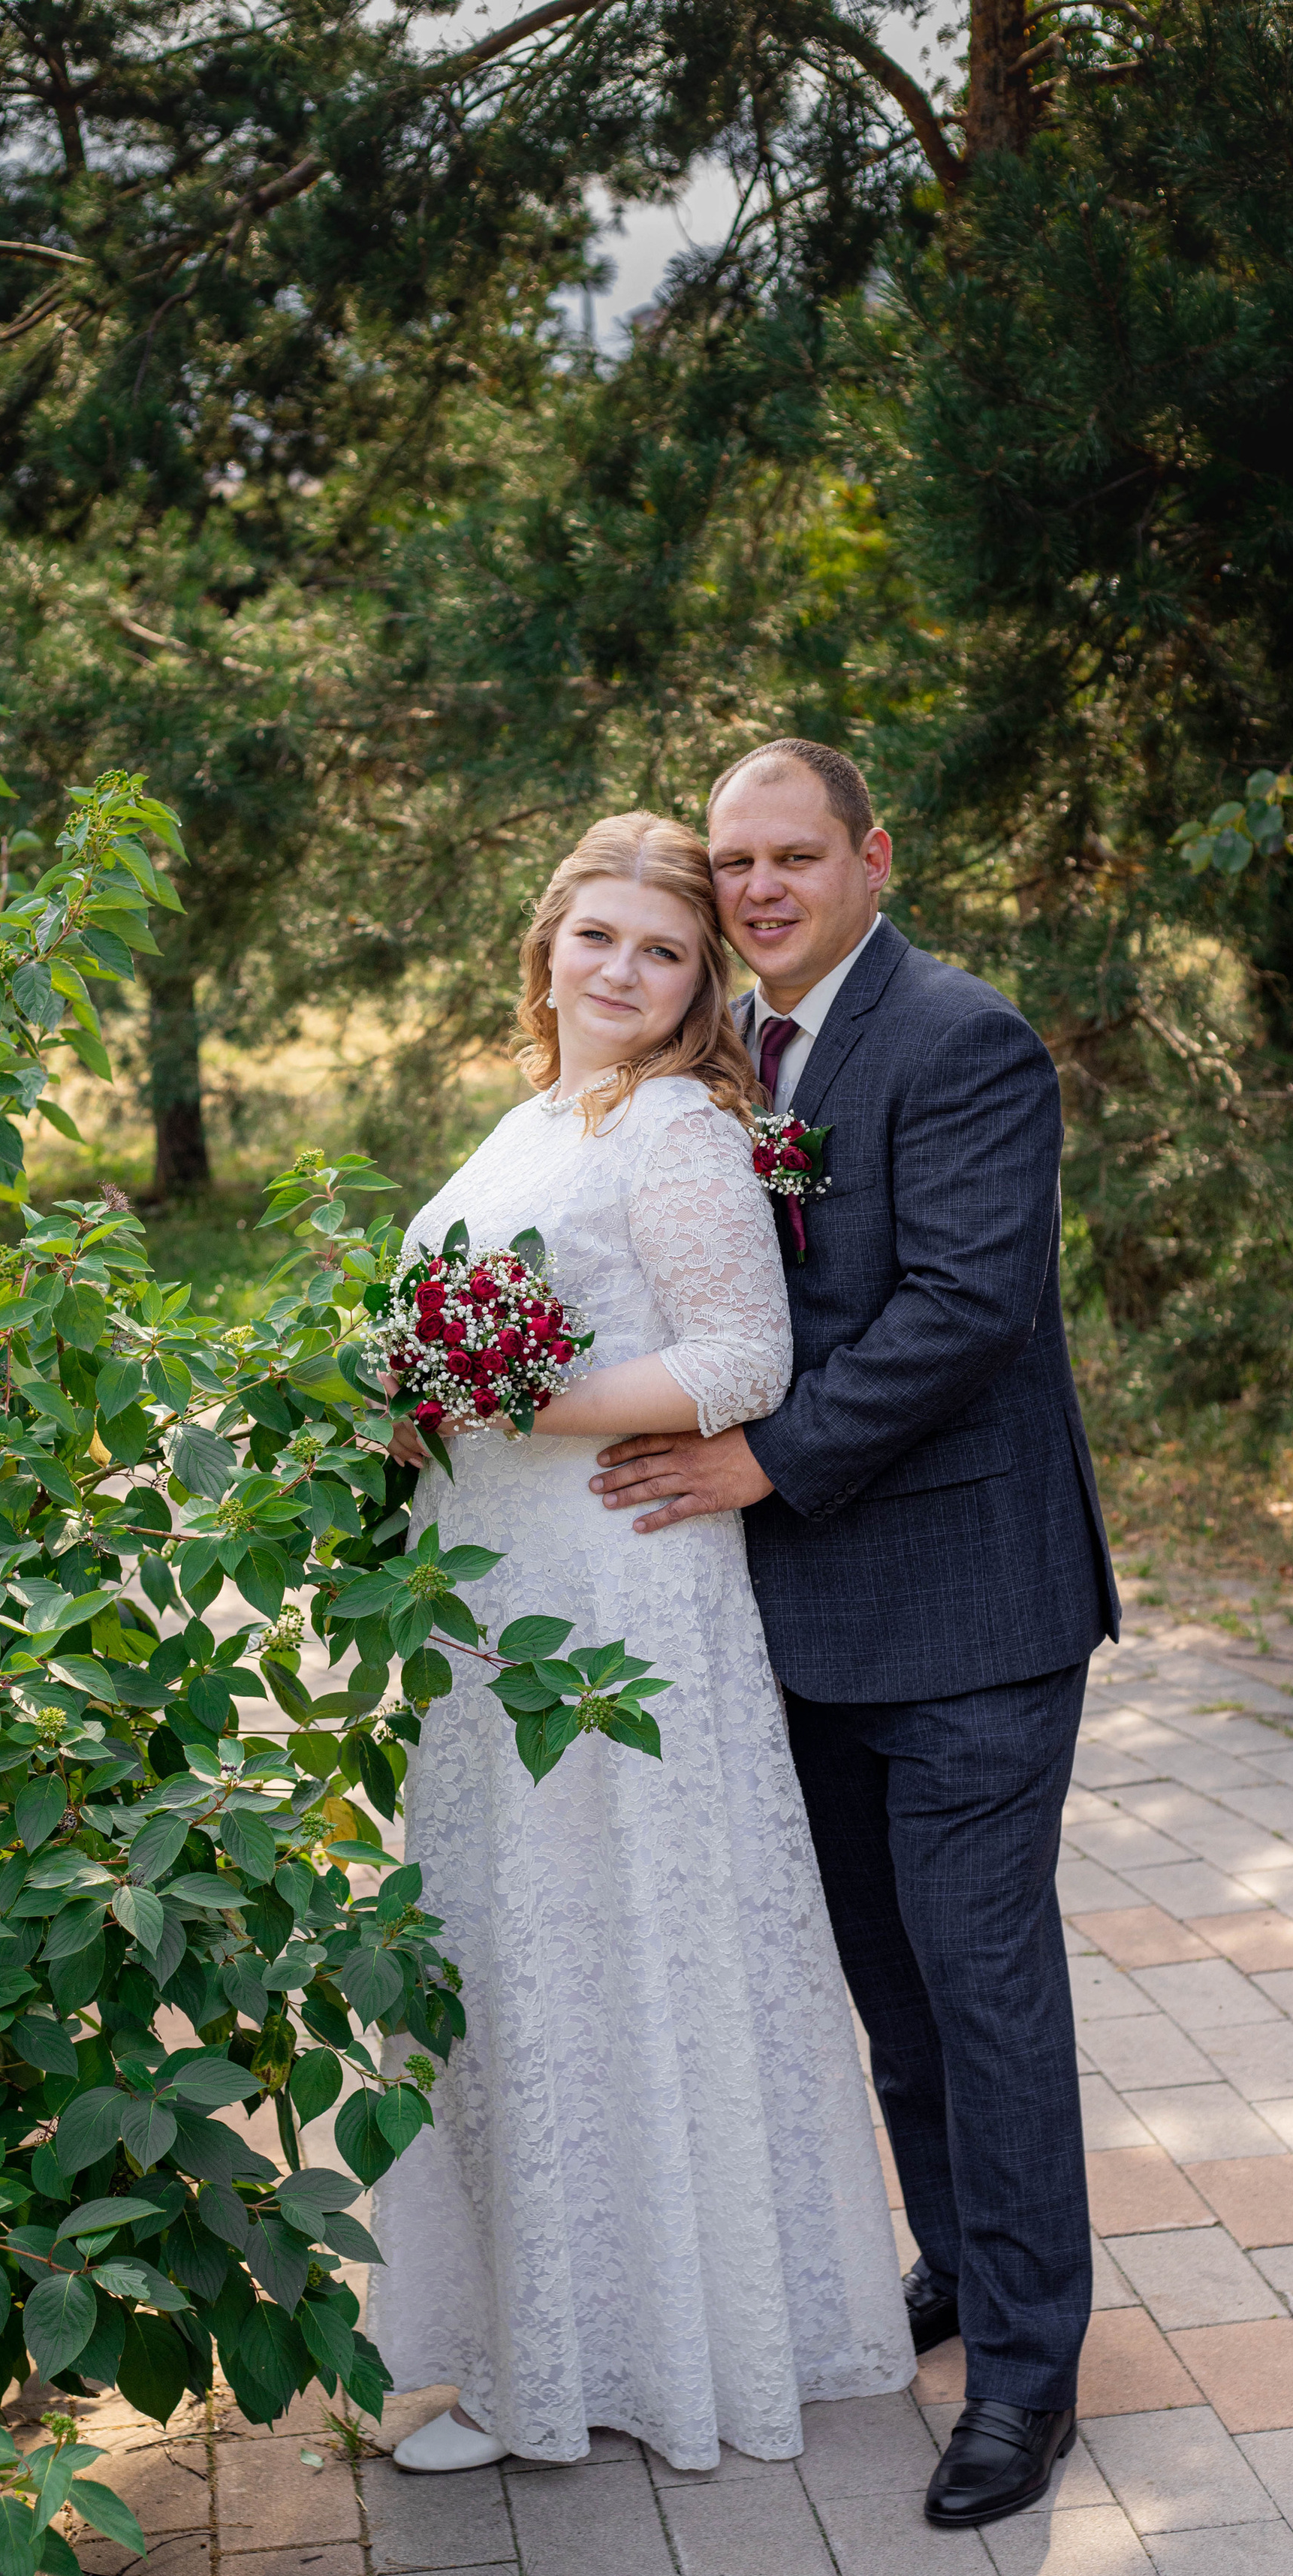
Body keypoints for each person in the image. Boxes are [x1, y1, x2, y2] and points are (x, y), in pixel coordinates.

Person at [592, 742, 1120, 2527]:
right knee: (893, 2001)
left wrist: (761, 1454)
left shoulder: (959, 1036)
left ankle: (1028, 2380)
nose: (753, 889)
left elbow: (967, 1306)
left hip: (972, 1608)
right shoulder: (735, 1053)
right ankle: (965, 2269)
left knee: (981, 1994)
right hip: (807, 1613)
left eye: (788, 856)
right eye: (729, 862)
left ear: (870, 855)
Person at [366, 808, 912, 2475]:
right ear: (546, 945)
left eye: (662, 951)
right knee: (511, 1952)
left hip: (609, 1584)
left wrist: (507, 1394)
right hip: (496, 1591)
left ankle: (580, 2374)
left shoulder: (672, 1127)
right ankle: (551, 2331)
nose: (623, 968)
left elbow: (744, 1358)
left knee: (594, 1954)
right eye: (596, 935)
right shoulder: (539, 1114)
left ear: (696, 989)